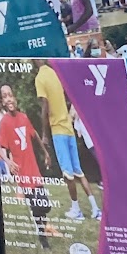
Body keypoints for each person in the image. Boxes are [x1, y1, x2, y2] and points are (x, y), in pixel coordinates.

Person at [34, 60, 101, 222]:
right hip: (69, 129)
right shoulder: (55, 73)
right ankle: (95, 209)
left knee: (68, 174)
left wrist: (44, 133)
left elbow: (45, 106)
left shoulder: (40, 78)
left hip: (58, 130)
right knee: (79, 171)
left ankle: (76, 210)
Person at [0, 83, 53, 243]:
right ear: (3, 102)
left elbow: (34, 134)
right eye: (4, 96)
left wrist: (45, 152)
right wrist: (8, 161)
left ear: (15, 98)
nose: (8, 99)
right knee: (36, 205)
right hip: (22, 172)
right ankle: (43, 238)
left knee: (45, 205)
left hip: (34, 169)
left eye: (10, 95)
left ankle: (41, 226)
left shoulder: (24, 117)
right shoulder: (5, 122)